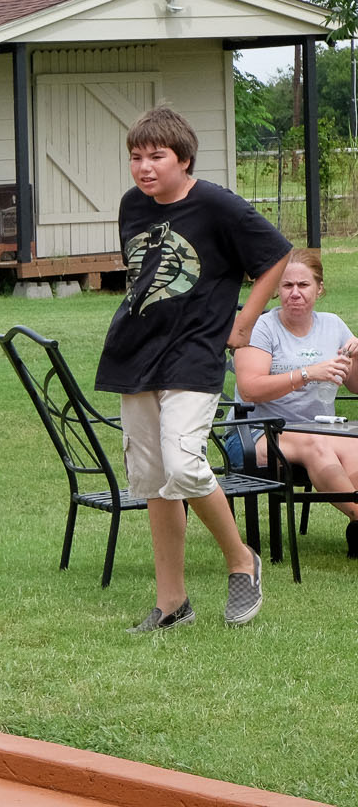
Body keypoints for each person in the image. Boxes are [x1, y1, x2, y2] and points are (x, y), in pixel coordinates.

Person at [93, 105, 290, 633]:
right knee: (154, 481)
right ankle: (172, 603)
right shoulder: (132, 205)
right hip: (136, 353)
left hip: (195, 353)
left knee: (183, 465)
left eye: (156, 156)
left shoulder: (218, 205)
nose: (144, 167)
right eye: (136, 157)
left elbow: (276, 255)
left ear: (183, 158)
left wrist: (245, 321)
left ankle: (241, 560)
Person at [233, 250, 358, 554]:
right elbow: (249, 390)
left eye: (303, 285)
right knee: (316, 445)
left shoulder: (333, 325)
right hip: (257, 432)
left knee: (353, 445)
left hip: (320, 428)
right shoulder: (261, 327)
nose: (295, 293)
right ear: (277, 289)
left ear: (319, 288)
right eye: (287, 285)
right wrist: (307, 373)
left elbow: (355, 386)